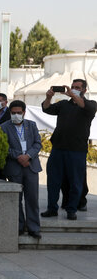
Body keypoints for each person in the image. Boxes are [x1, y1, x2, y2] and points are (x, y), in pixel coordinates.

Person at [41, 80, 97, 220]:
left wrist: (73, 96)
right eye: (72, 87)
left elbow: (83, 105)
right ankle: (52, 208)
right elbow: (46, 109)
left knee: (76, 182)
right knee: (53, 180)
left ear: (84, 90)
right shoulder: (63, 104)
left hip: (76, 151)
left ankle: (71, 209)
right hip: (58, 149)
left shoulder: (91, 104)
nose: (73, 89)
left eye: (77, 88)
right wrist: (48, 97)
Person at [1, 100, 42, 239]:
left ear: (24, 112)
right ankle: (19, 226)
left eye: (19, 113)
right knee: (16, 199)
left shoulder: (32, 125)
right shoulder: (4, 127)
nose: (16, 115)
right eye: (13, 113)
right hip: (15, 167)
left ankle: (34, 227)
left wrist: (28, 156)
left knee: (32, 199)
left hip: (31, 166)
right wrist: (18, 157)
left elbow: (38, 143)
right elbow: (4, 147)